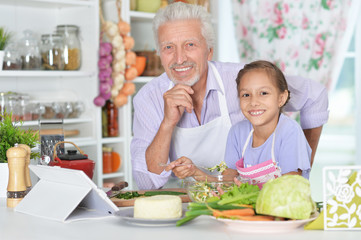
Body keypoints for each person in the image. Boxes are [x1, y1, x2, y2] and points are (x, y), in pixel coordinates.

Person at [131, 2, 328, 189]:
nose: (180, 58)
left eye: (190, 44)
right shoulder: (148, 99)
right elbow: (147, 183)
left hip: (243, 206)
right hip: (185, 208)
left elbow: (315, 95)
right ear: (159, 54)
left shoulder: (246, 82)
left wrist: (299, 167)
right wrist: (167, 123)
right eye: (168, 47)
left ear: (209, 51)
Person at [222, 60, 311, 189]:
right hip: (246, 207)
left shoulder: (290, 131)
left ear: (281, 98)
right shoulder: (237, 132)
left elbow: (291, 183)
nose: (253, 102)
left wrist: (250, 194)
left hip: (283, 207)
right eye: (246, 95)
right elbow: (229, 175)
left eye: (263, 93)